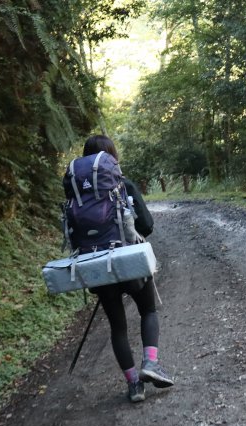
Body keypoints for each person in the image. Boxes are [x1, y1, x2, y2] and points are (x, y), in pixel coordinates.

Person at [80, 135, 174, 402]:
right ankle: (150, 364)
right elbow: (146, 226)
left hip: (97, 265)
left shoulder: (78, 190)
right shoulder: (122, 184)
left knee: (118, 327)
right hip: (127, 260)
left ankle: (134, 385)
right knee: (147, 311)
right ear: (112, 157)